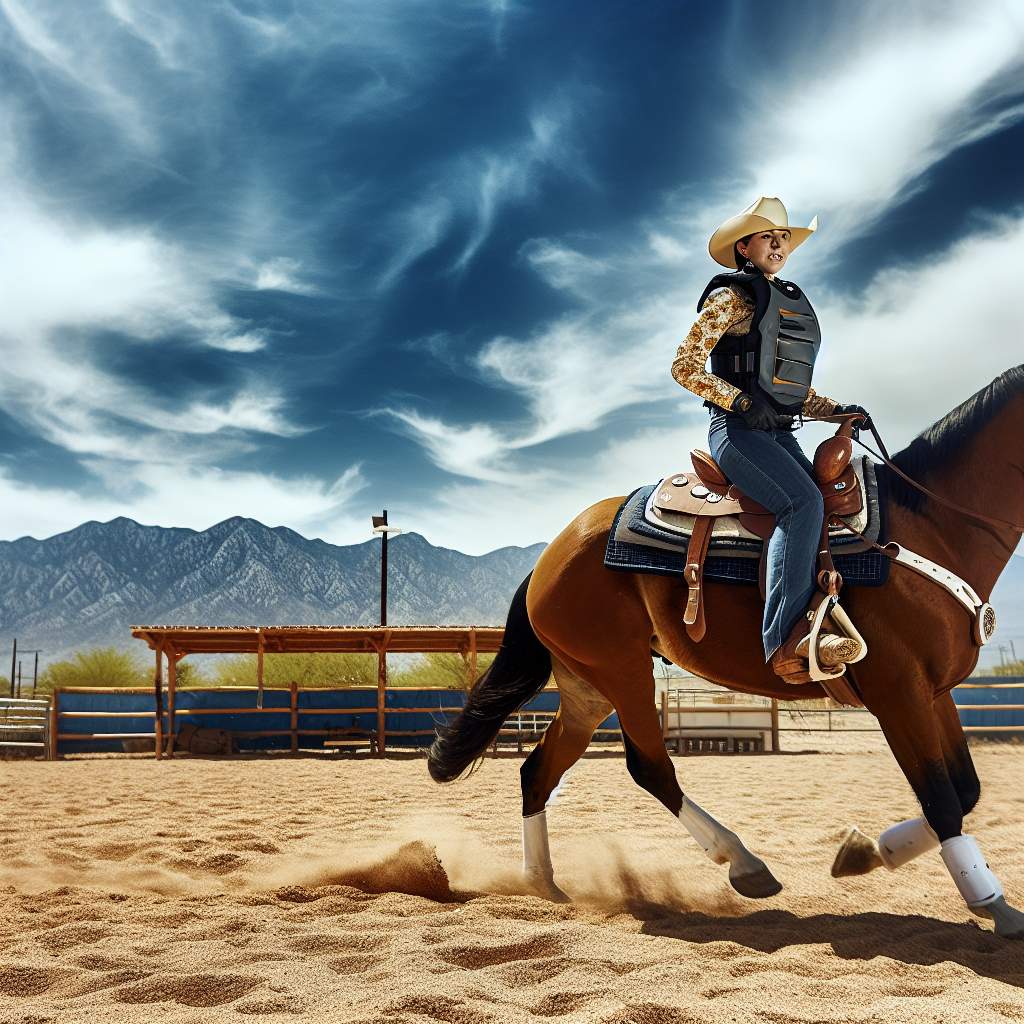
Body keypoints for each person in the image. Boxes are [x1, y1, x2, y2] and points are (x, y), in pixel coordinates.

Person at [671, 196, 870, 683]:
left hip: (778, 432)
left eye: (785, 237)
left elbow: (789, 392)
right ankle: (783, 641)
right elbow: (684, 366)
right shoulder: (731, 298)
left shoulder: (789, 301)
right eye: (768, 236)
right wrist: (738, 402)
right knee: (801, 505)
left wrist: (838, 411)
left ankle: (826, 612)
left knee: (827, 500)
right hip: (736, 433)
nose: (779, 243)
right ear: (744, 247)